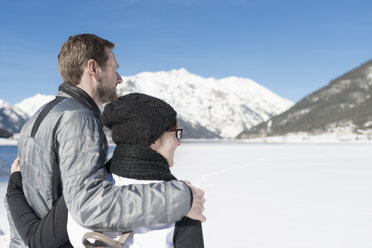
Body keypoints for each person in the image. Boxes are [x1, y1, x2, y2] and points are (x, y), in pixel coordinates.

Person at [5, 34, 205, 248]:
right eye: (114, 68)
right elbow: (89, 205)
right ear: (93, 68)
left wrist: (14, 185)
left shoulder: (38, 117)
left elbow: (33, 209)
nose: (119, 78)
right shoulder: (79, 118)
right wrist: (179, 199)